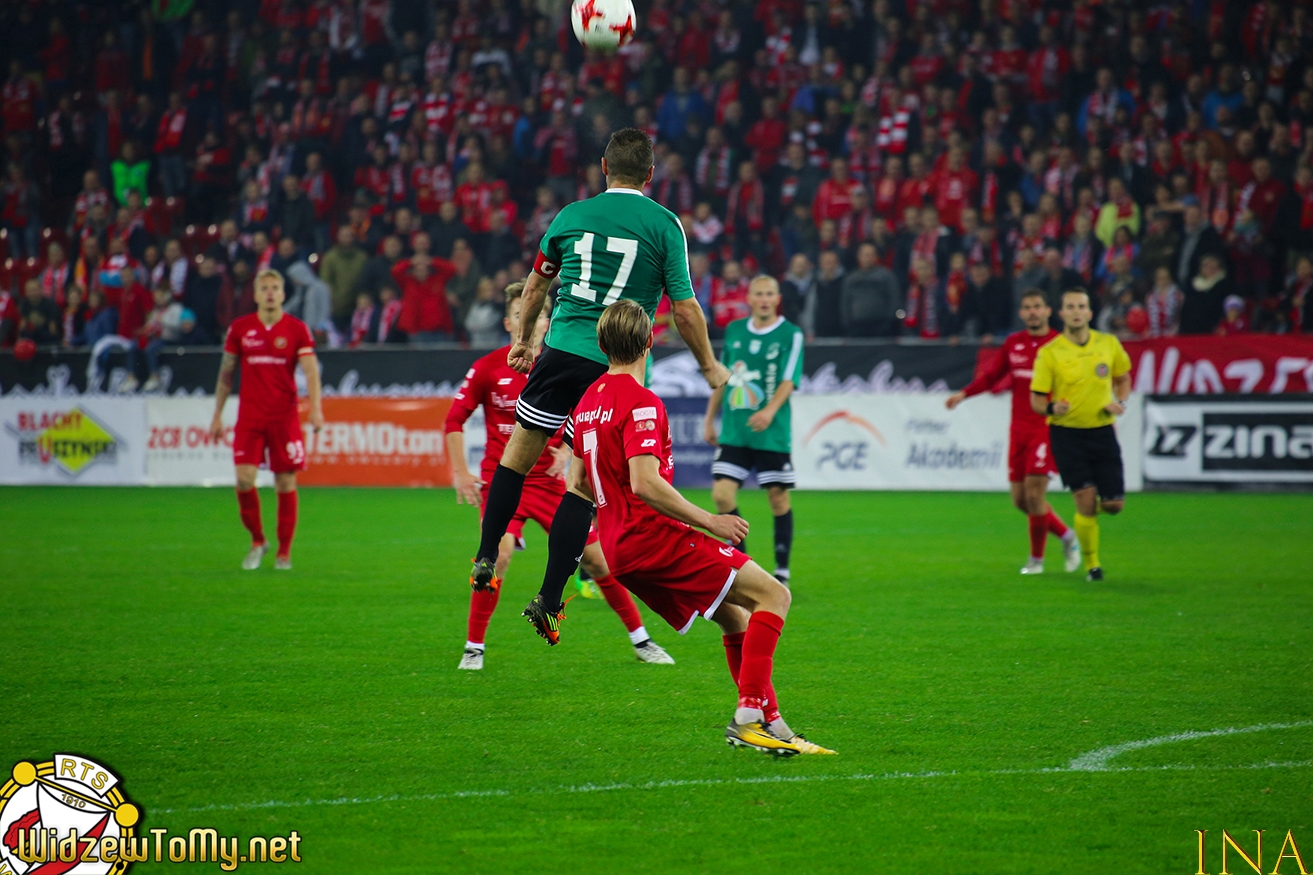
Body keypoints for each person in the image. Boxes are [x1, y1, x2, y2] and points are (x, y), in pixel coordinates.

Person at [467, 128, 729, 645]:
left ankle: (485, 553)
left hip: (561, 352)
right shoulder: (664, 224)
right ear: (650, 175)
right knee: (582, 487)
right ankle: (549, 599)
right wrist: (708, 366)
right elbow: (684, 308)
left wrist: (523, 342)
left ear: (604, 168)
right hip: (615, 370)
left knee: (515, 460)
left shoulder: (570, 216)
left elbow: (536, 286)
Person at [572, 299, 832, 756]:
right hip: (653, 539)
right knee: (775, 596)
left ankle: (774, 725)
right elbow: (645, 483)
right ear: (649, 342)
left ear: (601, 343)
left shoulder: (588, 400)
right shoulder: (642, 401)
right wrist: (711, 520)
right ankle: (748, 718)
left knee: (736, 617)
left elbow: (577, 483)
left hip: (619, 549)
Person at [445, 282, 674, 670]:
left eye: (539, 316)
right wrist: (461, 473)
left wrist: (568, 452)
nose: (533, 322)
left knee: (599, 562)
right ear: (510, 322)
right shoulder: (488, 368)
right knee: (499, 555)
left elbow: (587, 418)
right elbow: (454, 419)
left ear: (549, 322)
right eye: (522, 315)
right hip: (508, 482)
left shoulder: (561, 364)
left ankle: (642, 639)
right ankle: (474, 647)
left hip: (552, 486)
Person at [946, 290, 1080, 574]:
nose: (1033, 312)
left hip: (1045, 429)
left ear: (1048, 311)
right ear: (1021, 313)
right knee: (1021, 500)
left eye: (1037, 307)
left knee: (1034, 495)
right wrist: (963, 394)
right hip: (1018, 430)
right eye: (1027, 307)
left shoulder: (1060, 345)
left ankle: (1036, 561)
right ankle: (1067, 536)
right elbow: (993, 376)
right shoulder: (1013, 343)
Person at [209, 269, 325, 571]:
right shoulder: (240, 329)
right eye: (264, 288)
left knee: (285, 481)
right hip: (250, 417)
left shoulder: (297, 329)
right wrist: (217, 414)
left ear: (283, 294)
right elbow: (226, 373)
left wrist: (316, 408)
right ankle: (258, 541)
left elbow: (311, 371)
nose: (270, 293)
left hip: (283, 417)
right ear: (256, 295)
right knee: (244, 479)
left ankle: (284, 552)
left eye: (275, 288)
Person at [703, 276, 803, 586]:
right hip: (735, 431)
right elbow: (722, 376)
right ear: (749, 298)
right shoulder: (735, 331)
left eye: (769, 294)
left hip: (771, 432)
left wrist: (769, 411)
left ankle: (782, 570)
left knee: (778, 498)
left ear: (777, 299)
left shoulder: (791, 334)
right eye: (758, 293)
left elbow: (789, 379)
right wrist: (709, 418)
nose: (764, 299)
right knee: (721, 495)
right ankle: (743, 565)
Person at [1030, 290, 1133, 582]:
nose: (1076, 311)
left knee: (1113, 505)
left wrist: (1120, 401)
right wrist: (1053, 407)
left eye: (1081, 306)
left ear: (1089, 313)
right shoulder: (1050, 352)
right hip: (1066, 435)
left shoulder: (1108, 344)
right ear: (1061, 314)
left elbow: (1123, 377)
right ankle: (1092, 566)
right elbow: (1036, 400)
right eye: (1070, 307)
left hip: (1102, 431)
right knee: (1085, 499)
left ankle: (1084, 523)